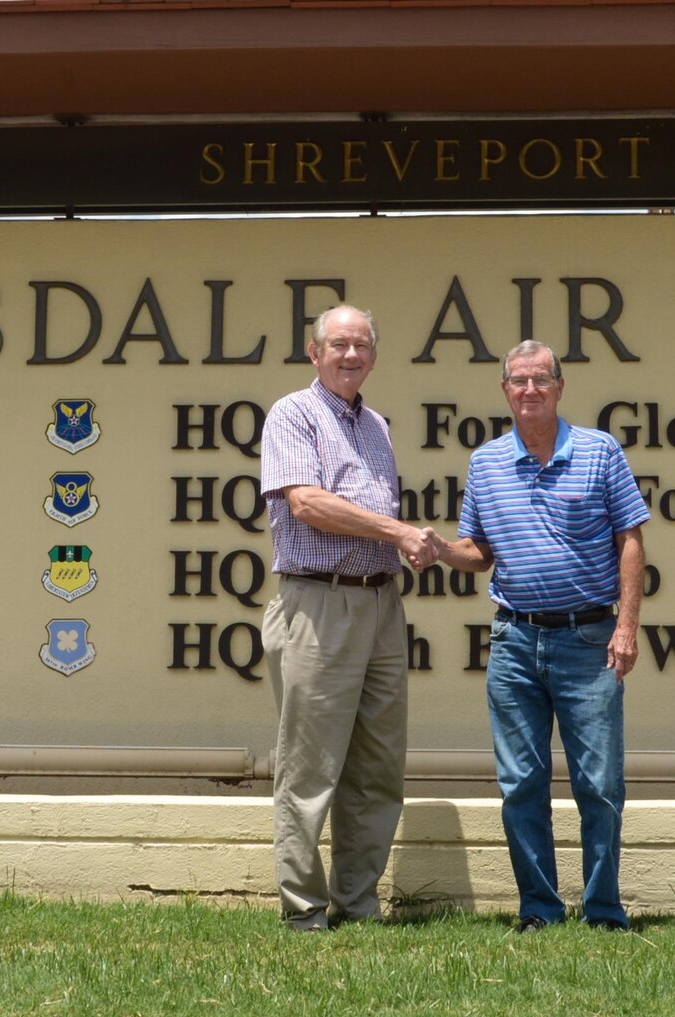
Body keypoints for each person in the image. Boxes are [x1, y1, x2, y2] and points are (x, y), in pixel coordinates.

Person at [427, 339, 650, 932]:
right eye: (518, 381)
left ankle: (603, 910)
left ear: (560, 386)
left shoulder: (601, 452)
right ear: (504, 390)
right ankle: (540, 911)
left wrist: (627, 627)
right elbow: (479, 551)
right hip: (514, 644)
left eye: (540, 380)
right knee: (521, 783)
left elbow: (631, 539)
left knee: (599, 784)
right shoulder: (486, 462)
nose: (529, 390)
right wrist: (441, 549)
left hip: (589, 639)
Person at [259, 304, 438, 931]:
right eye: (338, 344)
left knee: (377, 765)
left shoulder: (377, 426)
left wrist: (415, 546)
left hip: (381, 602)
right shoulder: (293, 413)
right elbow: (306, 503)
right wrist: (398, 531)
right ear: (315, 353)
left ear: (374, 355)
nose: (351, 355)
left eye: (362, 344)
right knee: (310, 768)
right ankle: (304, 912)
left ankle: (357, 905)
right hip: (318, 602)